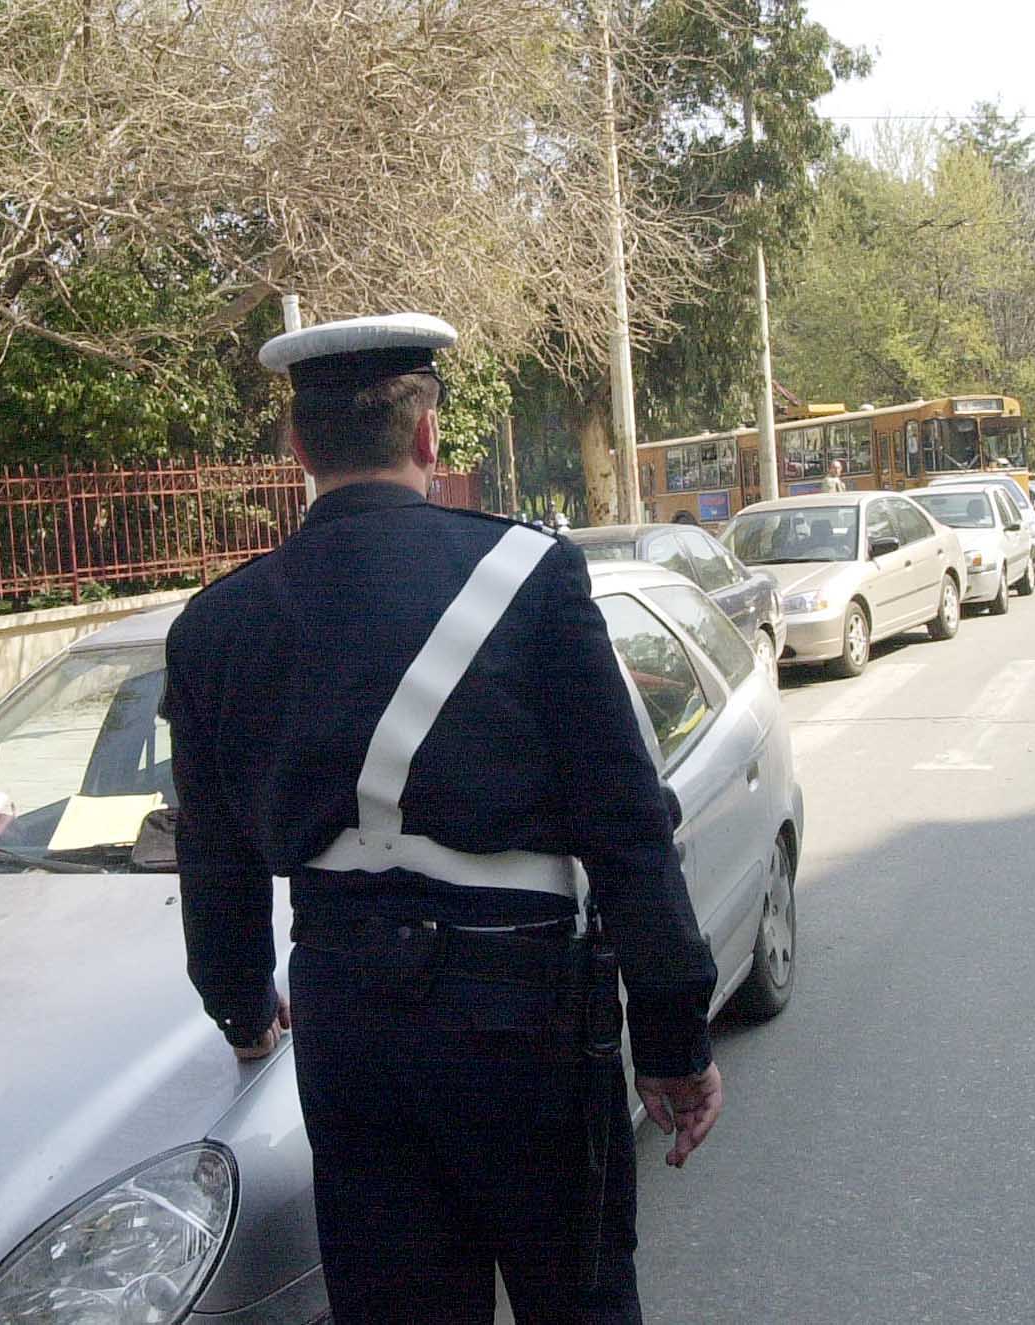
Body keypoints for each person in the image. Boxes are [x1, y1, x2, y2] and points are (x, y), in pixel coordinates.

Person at [163, 314, 723, 1323]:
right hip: (524, 1006)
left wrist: (244, 1005)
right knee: (580, 1298)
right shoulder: (530, 573)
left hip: (344, 1011)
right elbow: (627, 822)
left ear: (298, 448)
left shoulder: (215, 622)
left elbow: (213, 858)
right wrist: (675, 1035)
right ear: (427, 434)